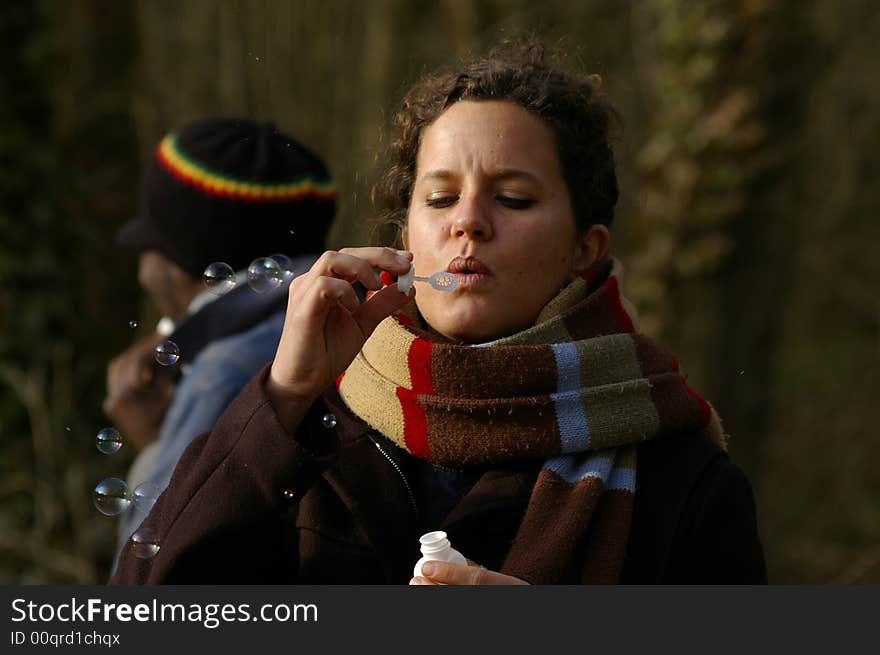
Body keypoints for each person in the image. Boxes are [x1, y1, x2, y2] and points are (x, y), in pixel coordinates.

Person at [112, 40, 766, 584]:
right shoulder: (316, 433)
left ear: (583, 249)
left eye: (512, 199)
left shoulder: (679, 472)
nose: (469, 223)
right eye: (440, 197)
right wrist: (281, 394)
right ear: (404, 238)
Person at [103, 118, 336, 562]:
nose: (142, 268)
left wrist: (155, 449)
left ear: (182, 257)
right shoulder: (339, 325)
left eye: (149, 243)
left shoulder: (221, 376)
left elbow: (149, 575)